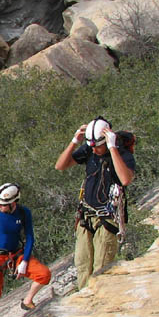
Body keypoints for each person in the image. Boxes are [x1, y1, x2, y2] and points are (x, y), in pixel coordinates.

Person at [54, 116, 136, 290]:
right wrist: (74, 141)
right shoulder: (89, 151)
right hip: (86, 215)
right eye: (91, 145)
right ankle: (85, 301)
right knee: (82, 264)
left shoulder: (123, 155)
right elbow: (60, 166)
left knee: (102, 268)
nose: (94, 150)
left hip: (107, 218)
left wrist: (112, 148)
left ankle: (100, 302)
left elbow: (125, 179)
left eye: (97, 146)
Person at [0, 183, 52, 317]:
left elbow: (30, 237)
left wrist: (25, 261)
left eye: (4, 205)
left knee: (44, 274)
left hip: (16, 255)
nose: (0, 207)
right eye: (0, 204)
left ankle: (27, 300)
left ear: (13, 203)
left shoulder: (23, 213)